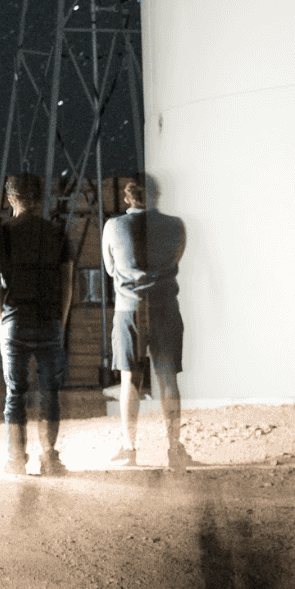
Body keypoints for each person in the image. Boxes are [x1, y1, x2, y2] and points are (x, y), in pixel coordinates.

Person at [0, 172, 74, 476]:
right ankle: (50, 456)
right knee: (50, 391)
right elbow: (67, 283)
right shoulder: (58, 233)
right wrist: (60, 319)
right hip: (49, 320)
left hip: (14, 320)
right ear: (40, 198)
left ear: (10, 199)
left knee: (15, 393)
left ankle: (16, 459)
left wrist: (0, 320)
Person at [103, 173, 191, 470]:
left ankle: (129, 449)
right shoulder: (176, 226)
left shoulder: (114, 226)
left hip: (129, 309)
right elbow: (176, 258)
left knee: (130, 379)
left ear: (128, 198)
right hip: (166, 307)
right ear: (156, 195)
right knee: (168, 379)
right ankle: (174, 448)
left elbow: (111, 268)